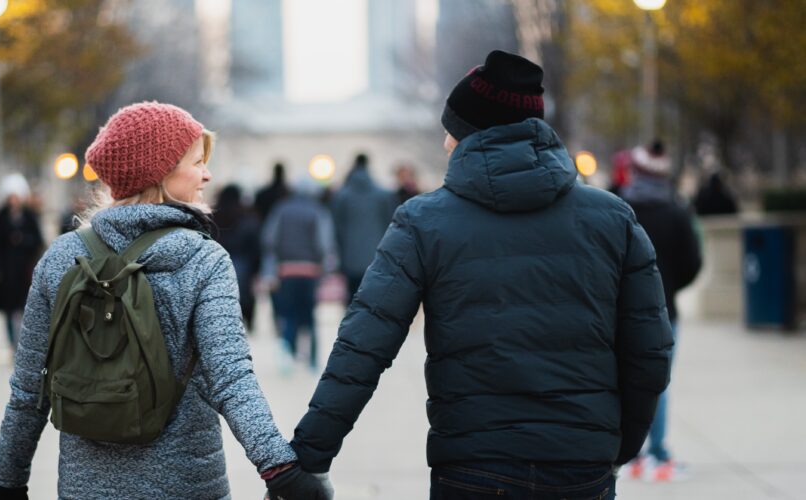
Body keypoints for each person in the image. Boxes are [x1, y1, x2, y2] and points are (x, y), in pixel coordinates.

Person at [289, 50, 673, 500]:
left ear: (471, 133)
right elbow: (650, 350)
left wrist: (309, 458)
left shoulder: (423, 221)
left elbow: (363, 346)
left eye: (451, 131)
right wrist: (618, 443)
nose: (446, 143)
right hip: (581, 465)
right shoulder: (612, 217)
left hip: (473, 467)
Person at [0, 102, 331, 500]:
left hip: (87, 487)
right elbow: (231, 378)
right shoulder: (203, 259)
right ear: (160, 172)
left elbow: (29, 390)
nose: (207, 174)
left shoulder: (62, 258)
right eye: (196, 162)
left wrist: (9, 483)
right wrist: (280, 468)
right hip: (188, 484)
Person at [620, 141, 702, 482]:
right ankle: (657, 453)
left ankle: (630, 454)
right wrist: (667, 289)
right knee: (659, 383)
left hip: (622, 311)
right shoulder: (677, 212)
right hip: (664, 311)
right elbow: (693, 263)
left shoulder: (621, 208)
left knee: (622, 379)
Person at [261, 176, 337, 374]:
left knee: (289, 314)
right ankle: (312, 360)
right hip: (310, 272)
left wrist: (271, 270)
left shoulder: (281, 209)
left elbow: (270, 239)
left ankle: (289, 355)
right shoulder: (318, 211)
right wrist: (326, 269)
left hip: (286, 270)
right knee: (310, 316)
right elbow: (324, 243)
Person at [0, 173, 45, 352]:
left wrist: (22, 240)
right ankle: (13, 345)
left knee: (24, 309)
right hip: (6, 272)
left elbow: (38, 241)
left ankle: (22, 344)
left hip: (25, 271)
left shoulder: (29, 217)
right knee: (8, 310)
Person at [331, 153, 396, 303]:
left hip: (350, 257)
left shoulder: (342, 196)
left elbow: (337, 228)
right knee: (374, 301)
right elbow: (391, 226)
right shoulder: (383, 195)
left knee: (352, 301)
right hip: (376, 258)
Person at [212, 183, 261, 331]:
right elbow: (255, 246)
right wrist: (256, 269)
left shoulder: (213, 217)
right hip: (243, 266)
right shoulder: (247, 217)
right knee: (246, 298)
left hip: (218, 265)